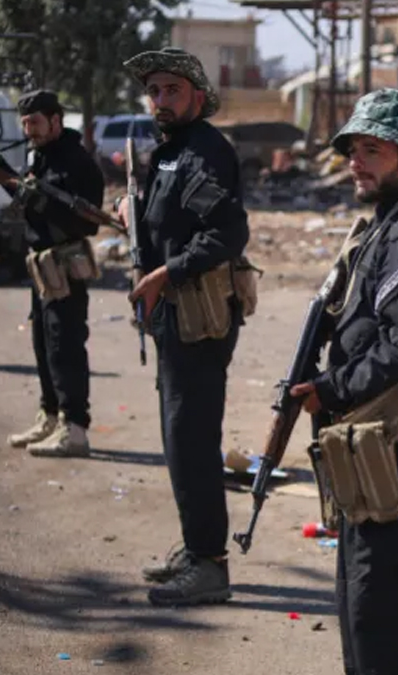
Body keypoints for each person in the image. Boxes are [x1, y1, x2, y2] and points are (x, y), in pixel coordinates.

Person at [288, 88, 398, 675]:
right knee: (360, 607)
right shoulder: (386, 225)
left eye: (373, 151)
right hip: (373, 446)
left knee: (379, 612)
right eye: (353, 151)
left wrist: (331, 389)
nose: (356, 163)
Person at [115, 47, 249, 607]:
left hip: (199, 316)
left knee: (192, 438)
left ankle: (210, 566)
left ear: (198, 94)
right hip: (173, 317)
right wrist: (132, 216)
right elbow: (167, 222)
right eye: (154, 91)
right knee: (178, 437)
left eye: (172, 90)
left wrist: (166, 273)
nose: (161, 100)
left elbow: (227, 233)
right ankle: (196, 550)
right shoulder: (167, 152)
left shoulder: (206, 151)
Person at [0, 90, 105, 458]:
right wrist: (1, 173)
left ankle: (74, 429)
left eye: (35, 122)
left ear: (56, 121)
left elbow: (85, 220)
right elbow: (30, 199)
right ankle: (50, 416)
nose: (29, 130)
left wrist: (18, 186)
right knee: (44, 345)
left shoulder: (76, 162)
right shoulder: (41, 157)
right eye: (25, 123)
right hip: (42, 267)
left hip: (65, 266)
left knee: (66, 348)